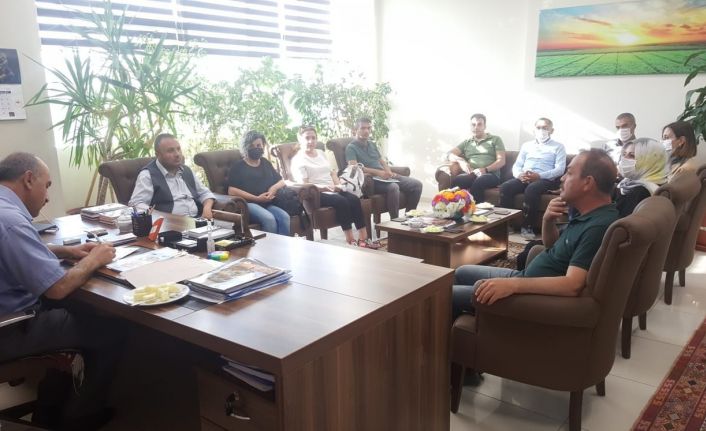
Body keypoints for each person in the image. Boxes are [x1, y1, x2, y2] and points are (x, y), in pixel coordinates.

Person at [0, 152, 122, 430]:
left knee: (77, 310)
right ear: (28, 180)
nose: (47, 197)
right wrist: (94, 259)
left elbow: (11, 249)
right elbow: (57, 288)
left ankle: (48, 411)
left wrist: (65, 251)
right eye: (47, 186)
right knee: (110, 330)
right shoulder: (10, 220)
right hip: (10, 327)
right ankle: (79, 418)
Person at [453, 148, 618, 320]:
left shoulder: (597, 227)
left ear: (587, 183)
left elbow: (572, 285)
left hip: (527, 296)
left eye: (569, 173)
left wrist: (513, 285)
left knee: (447, 295)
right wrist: (548, 221)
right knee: (461, 272)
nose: (562, 178)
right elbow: (552, 246)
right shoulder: (590, 215)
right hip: (525, 278)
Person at [291, 126, 379, 248]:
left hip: (333, 188)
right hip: (317, 193)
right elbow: (305, 184)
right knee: (341, 201)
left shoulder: (321, 153)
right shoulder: (298, 159)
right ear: (300, 139)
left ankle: (364, 238)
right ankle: (350, 240)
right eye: (307, 138)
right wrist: (325, 188)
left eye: (313, 138)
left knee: (354, 199)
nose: (311, 141)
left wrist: (338, 185)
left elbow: (332, 173)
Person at [499, 117, 566, 239]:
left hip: (545, 179)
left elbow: (560, 169)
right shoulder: (526, 146)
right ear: (534, 130)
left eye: (545, 128)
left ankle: (527, 227)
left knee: (532, 189)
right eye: (538, 127)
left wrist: (539, 176)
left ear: (552, 130)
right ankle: (507, 225)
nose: (541, 130)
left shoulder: (558, 147)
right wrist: (519, 175)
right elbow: (517, 165)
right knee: (506, 187)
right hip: (525, 177)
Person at [345, 117, 423, 219]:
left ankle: (409, 219)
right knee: (393, 187)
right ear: (355, 130)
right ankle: (394, 222)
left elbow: (382, 161)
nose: (366, 131)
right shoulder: (351, 148)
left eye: (369, 128)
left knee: (417, 185)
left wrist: (389, 172)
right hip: (372, 181)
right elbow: (354, 169)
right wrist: (378, 173)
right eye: (363, 128)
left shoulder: (372, 144)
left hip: (385, 176)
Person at [129, 133, 215, 219]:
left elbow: (205, 193)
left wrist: (207, 209)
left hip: (198, 220)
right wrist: (160, 217)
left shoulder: (187, 171)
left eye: (178, 149)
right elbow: (136, 203)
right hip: (169, 224)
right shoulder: (148, 175)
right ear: (158, 154)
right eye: (170, 151)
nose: (177, 154)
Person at [227, 131, 290, 235]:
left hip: (267, 203)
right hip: (249, 204)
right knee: (269, 219)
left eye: (258, 145)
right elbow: (231, 191)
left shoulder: (265, 163)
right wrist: (256, 198)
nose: (256, 148)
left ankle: (282, 245)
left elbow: (281, 181)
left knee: (284, 217)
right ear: (246, 147)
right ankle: (269, 246)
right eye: (252, 146)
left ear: (263, 145)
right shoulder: (238, 167)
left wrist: (273, 188)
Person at [446, 113, 506, 203]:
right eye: (473, 125)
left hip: (490, 175)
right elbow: (449, 154)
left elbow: (501, 161)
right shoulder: (467, 142)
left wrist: (485, 169)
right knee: (458, 180)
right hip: (472, 173)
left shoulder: (495, 139)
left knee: (479, 181)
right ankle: (453, 209)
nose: (476, 127)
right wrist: (461, 161)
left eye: (479, 124)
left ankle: (476, 210)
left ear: (485, 126)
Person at [614, 138, 667, 218]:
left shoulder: (640, 191)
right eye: (624, 154)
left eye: (632, 155)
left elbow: (621, 221)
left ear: (649, 161)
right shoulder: (630, 182)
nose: (624, 159)